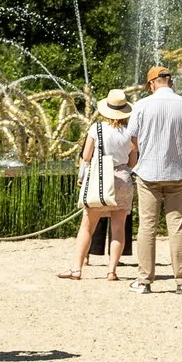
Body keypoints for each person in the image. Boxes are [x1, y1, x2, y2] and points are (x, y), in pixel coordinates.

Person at [123, 66, 182, 293]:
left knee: (147, 226)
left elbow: (132, 142)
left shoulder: (141, 106)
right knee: (177, 226)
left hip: (148, 172)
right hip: (178, 172)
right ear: (170, 81)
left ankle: (144, 281)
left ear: (152, 84)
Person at [63, 88, 136, 280]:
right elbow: (133, 162)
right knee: (118, 228)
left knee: (87, 226)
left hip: (100, 178)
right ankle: (112, 270)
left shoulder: (97, 129)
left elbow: (86, 156)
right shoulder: (130, 132)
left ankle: (77, 269)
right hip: (123, 178)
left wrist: (83, 174)